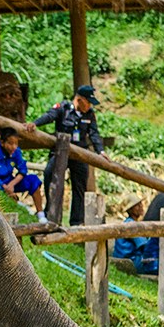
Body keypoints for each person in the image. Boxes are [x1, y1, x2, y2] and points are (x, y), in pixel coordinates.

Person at [33, 84, 104, 226]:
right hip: (60, 152)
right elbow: (49, 116)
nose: (89, 106)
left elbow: (94, 134)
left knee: (79, 185)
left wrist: (100, 151)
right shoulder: (63, 108)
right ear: (79, 99)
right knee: (50, 175)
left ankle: (76, 221)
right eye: (88, 102)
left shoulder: (89, 114)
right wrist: (35, 124)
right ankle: (51, 214)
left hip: (79, 154)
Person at [0, 128, 46, 221]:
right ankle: (18, 205)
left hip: (10, 181)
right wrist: (5, 187)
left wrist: (11, 185)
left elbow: (23, 170)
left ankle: (41, 215)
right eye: (10, 144)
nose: (14, 147)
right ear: (2, 143)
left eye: (16, 144)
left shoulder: (16, 151)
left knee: (33, 180)